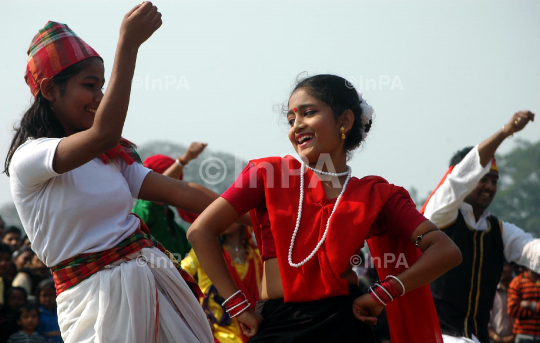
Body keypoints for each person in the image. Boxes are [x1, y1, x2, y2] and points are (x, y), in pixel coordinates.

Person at [3, 4, 240, 342]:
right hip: (94, 300)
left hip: (154, 283)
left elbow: (181, 193)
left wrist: (252, 213)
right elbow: (105, 132)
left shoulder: (107, 158)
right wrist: (127, 47)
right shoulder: (30, 158)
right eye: (90, 85)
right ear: (50, 90)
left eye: (101, 87)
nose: (99, 98)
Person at [188, 74, 462, 342]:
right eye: (291, 119)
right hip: (277, 325)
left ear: (344, 120)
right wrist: (237, 306)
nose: (297, 126)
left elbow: (445, 250)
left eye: (308, 113)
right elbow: (200, 231)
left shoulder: (376, 195)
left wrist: (384, 293)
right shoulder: (267, 175)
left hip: (344, 326)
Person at [421, 110, 538, 343]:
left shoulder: (497, 230)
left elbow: (531, 250)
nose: (489, 187)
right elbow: (459, 179)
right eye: (482, 179)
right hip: (438, 337)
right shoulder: (439, 214)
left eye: (494, 181)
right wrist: (505, 133)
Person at [181, 224, 262, 343]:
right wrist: (195, 314)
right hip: (218, 333)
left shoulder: (256, 255)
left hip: (252, 330)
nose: (225, 218)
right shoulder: (205, 250)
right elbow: (180, 275)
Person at [133, 142, 207, 259]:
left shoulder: (178, 231)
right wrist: (183, 160)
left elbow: (189, 264)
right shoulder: (144, 208)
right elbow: (157, 193)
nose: (176, 187)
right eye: (173, 182)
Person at [507, 269, 540, 343]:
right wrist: (536, 312)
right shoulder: (518, 281)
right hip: (523, 335)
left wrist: (531, 305)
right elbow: (512, 310)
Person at [488, 261, 515, 343]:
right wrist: (498, 339)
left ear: (512, 268)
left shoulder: (519, 289)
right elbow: (485, 322)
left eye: (505, 266)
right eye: (500, 266)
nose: (502, 270)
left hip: (518, 339)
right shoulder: (490, 292)